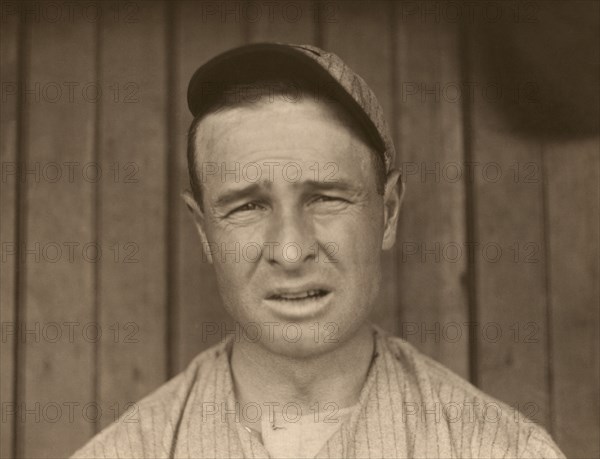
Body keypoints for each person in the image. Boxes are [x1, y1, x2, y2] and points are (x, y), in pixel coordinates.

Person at [72, 43, 564, 459]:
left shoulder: (504, 450)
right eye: (247, 206)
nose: (289, 250)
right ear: (204, 231)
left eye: (326, 198)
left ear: (388, 212)